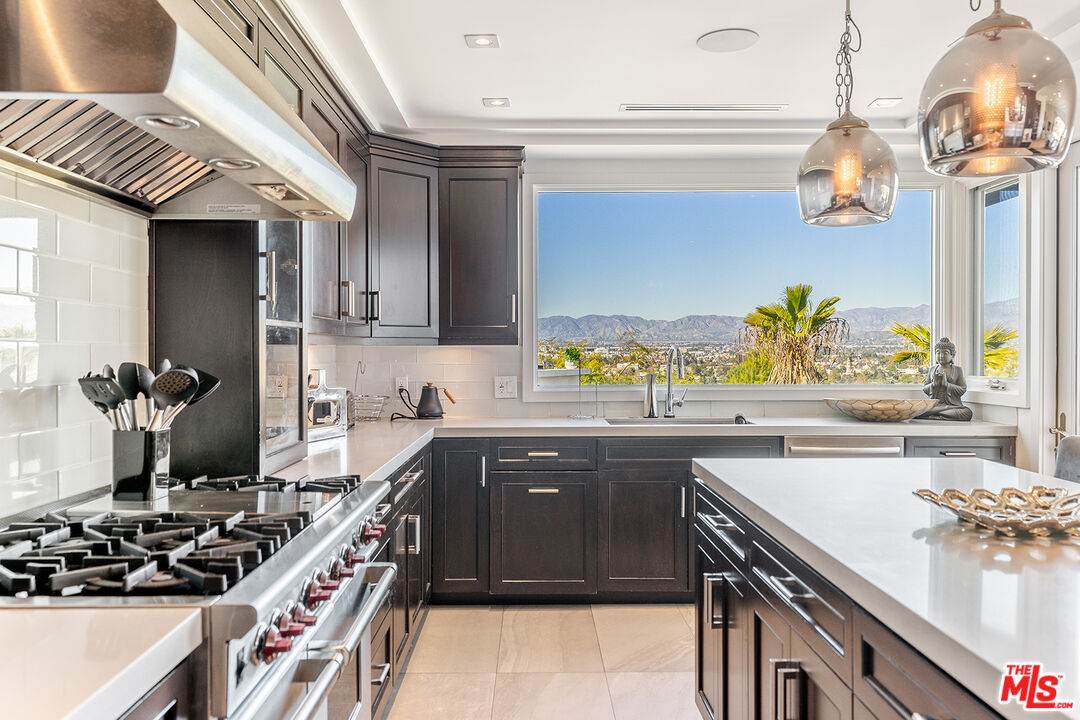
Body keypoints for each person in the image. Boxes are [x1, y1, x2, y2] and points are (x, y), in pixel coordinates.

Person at [918, 337, 973, 421]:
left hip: (951, 406)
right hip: (934, 405)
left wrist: (947, 385)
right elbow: (925, 388)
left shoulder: (957, 370)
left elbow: (963, 389)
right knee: (916, 410)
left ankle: (935, 415)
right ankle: (939, 414)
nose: (941, 356)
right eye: (938, 353)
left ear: (952, 355)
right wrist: (933, 385)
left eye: (945, 353)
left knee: (966, 412)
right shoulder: (933, 369)